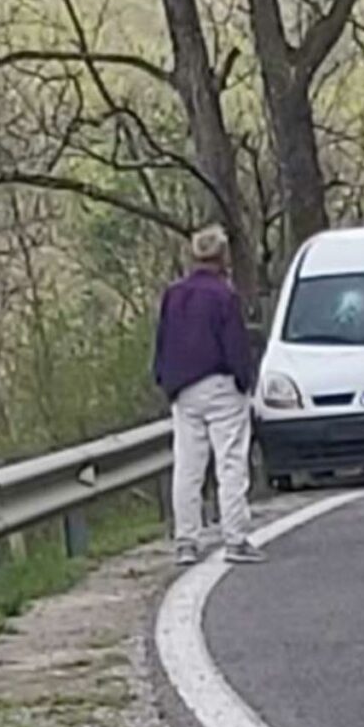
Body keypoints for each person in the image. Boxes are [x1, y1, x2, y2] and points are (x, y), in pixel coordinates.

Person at [153, 225, 264, 565]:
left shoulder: (174, 294)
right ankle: (235, 538)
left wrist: (165, 379)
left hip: (184, 389)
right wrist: (245, 381)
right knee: (230, 462)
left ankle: (186, 540)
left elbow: (162, 340)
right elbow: (234, 345)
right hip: (220, 385)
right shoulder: (224, 295)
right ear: (222, 256)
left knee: (188, 465)